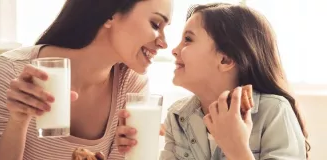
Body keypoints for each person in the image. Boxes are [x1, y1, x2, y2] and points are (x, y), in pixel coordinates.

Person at [0, 0, 172, 159]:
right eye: (155, 24)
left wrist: (133, 152)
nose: (164, 43)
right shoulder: (10, 71)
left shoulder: (132, 85)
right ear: (110, 14)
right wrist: (18, 121)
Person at [116, 3, 310, 160]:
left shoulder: (274, 112)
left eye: (188, 40)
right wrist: (137, 152)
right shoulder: (177, 117)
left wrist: (237, 150)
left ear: (225, 60)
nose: (174, 50)